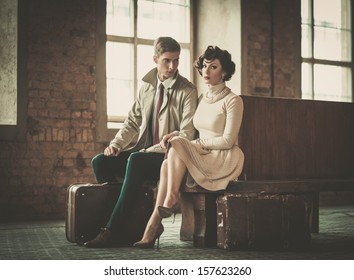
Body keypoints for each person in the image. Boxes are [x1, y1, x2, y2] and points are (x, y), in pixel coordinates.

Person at [84, 37, 198, 248]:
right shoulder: (146, 86)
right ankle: (128, 221)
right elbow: (133, 120)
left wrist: (151, 149)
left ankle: (111, 230)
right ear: (155, 59)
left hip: (169, 160)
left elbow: (188, 134)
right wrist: (116, 144)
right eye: (167, 61)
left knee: (136, 160)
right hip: (142, 155)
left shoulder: (188, 91)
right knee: (100, 161)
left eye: (176, 61)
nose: (173, 66)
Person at [133, 45, 244, 249]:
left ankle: (164, 209)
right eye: (204, 66)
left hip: (222, 157)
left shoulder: (233, 101)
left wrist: (195, 144)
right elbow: (193, 131)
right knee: (168, 161)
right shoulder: (202, 98)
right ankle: (157, 220)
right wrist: (176, 135)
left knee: (176, 148)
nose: (206, 71)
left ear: (225, 71)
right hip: (202, 152)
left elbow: (228, 141)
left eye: (213, 67)